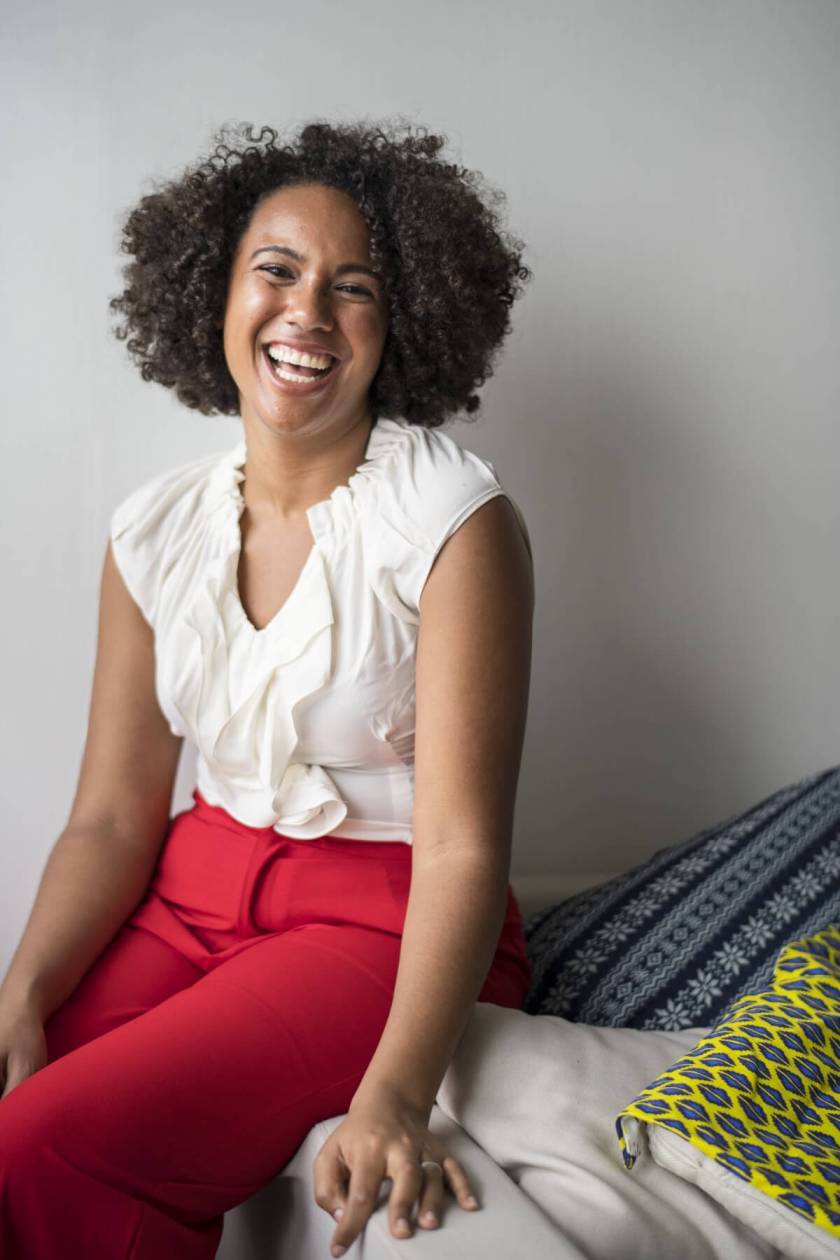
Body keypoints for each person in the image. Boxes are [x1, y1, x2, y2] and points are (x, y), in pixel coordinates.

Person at [0, 119, 535, 1259]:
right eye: (277, 271)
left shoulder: (454, 522)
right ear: (217, 293)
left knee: (40, 1142)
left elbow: (462, 848)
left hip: (380, 917)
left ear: (402, 323)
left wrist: (396, 1095)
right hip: (189, 894)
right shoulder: (152, 531)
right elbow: (111, 818)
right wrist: (21, 994)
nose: (308, 314)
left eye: (355, 288)